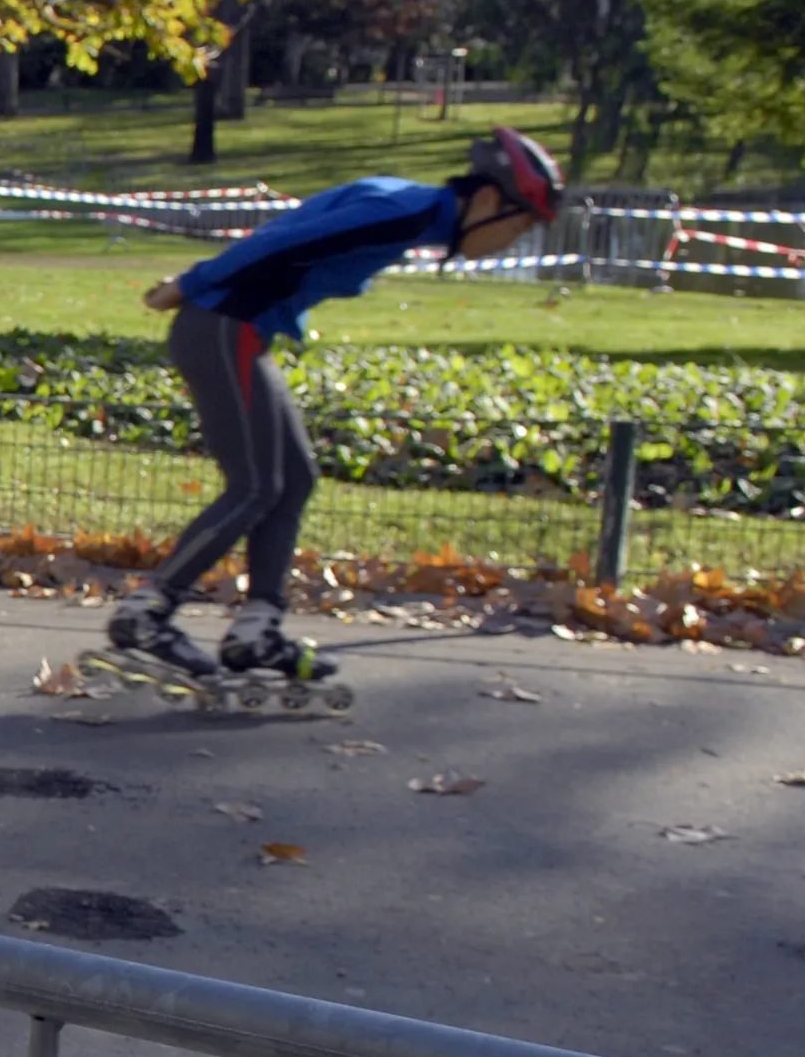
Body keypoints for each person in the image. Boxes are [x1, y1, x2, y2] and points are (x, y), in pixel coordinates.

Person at [107, 126, 565, 683]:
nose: (510, 244)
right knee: (254, 486)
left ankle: (258, 630)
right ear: (489, 200)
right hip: (224, 329)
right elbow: (281, 242)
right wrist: (191, 281)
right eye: (516, 228)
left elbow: (296, 231)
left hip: (239, 330)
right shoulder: (401, 210)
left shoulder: (412, 209)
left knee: (295, 477)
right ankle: (146, 613)